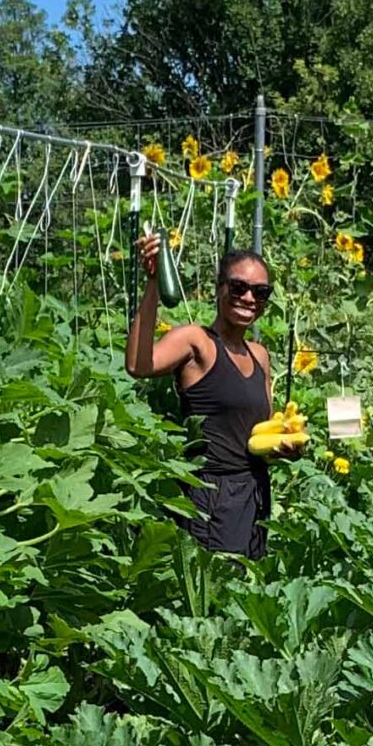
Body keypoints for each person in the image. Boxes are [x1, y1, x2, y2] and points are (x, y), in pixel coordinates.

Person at [126, 234, 302, 557]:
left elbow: (254, 439)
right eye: (238, 287)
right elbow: (139, 364)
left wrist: (284, 449)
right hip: (210, 497)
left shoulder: (260, 356)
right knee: (211, 599)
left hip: (254, 497)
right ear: (219, 289)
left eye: (260, 292)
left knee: (243, 598)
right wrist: (153, 283)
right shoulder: (198, 342)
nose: (249, 298)